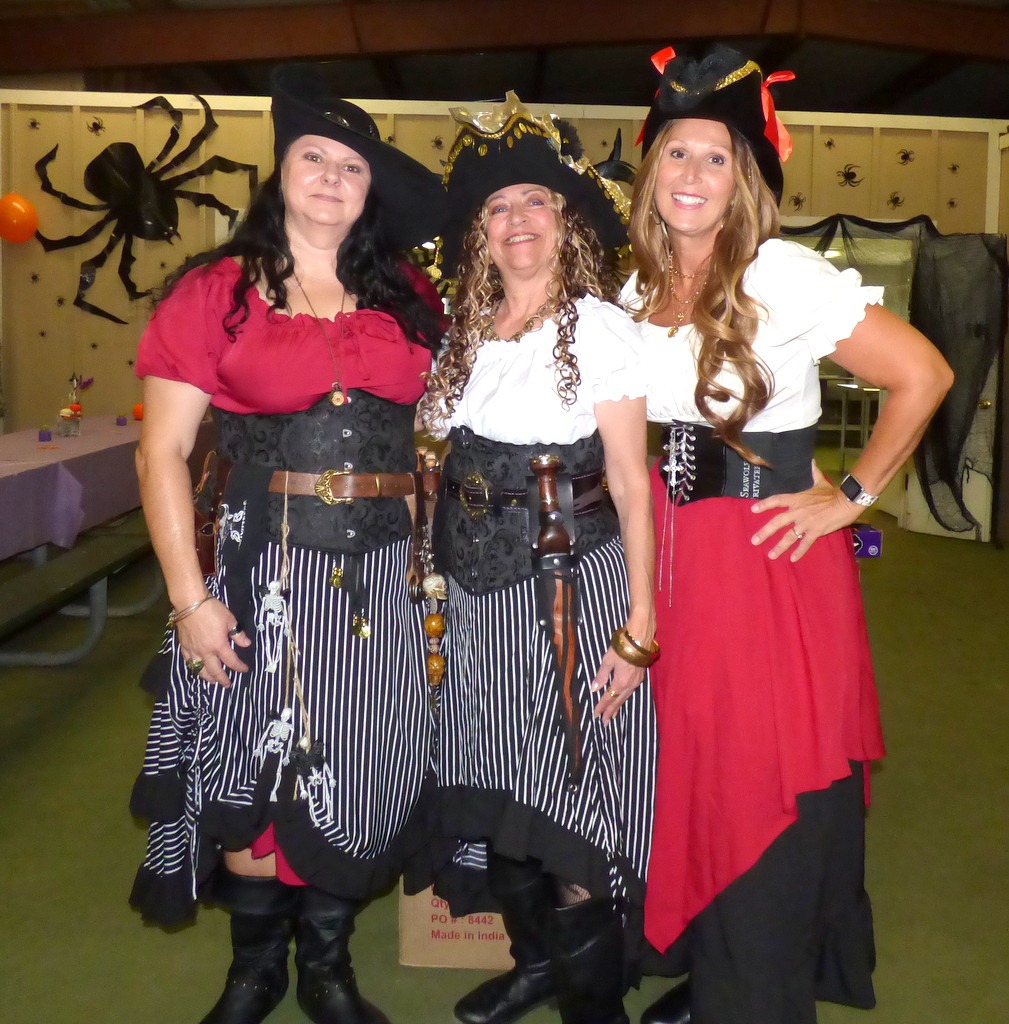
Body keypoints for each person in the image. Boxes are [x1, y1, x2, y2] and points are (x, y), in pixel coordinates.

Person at [621, 46, 954, 1024]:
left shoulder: (782, 272)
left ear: (748, 176)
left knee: (755, 770)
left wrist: (851, 493)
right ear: (650, 170)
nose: (691, 174)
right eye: (675, 153)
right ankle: (712, 961)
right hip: (678, 557)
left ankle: (752, 990)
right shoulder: (639, 280)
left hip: (761, 565)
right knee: (688, 766)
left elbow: (922, 374)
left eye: (715, 157)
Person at [128, 65, 447, 1024]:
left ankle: (327, 967)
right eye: (314, 157)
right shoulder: (215, 292)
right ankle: (253, 969)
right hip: (259, 574)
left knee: (367, 757)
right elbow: (164, 452)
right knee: (253, 762)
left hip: (383, 577)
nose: (331, 178)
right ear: (281, 172)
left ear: (369, 191)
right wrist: (190, 601)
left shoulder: (410, 296)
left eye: (352, 167)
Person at [419, 94, 658, 1024]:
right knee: (493, 784)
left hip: (566, 590)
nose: (516, 222)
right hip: (477, 600)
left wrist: (639, 623)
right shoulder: (466, 337)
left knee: (568, 798)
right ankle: (535, 968)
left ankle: (591, 1009)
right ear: (478, 233)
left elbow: (634, 485)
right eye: (497, 208)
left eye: (535, 202)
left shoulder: (596, 329)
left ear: (568, 222)